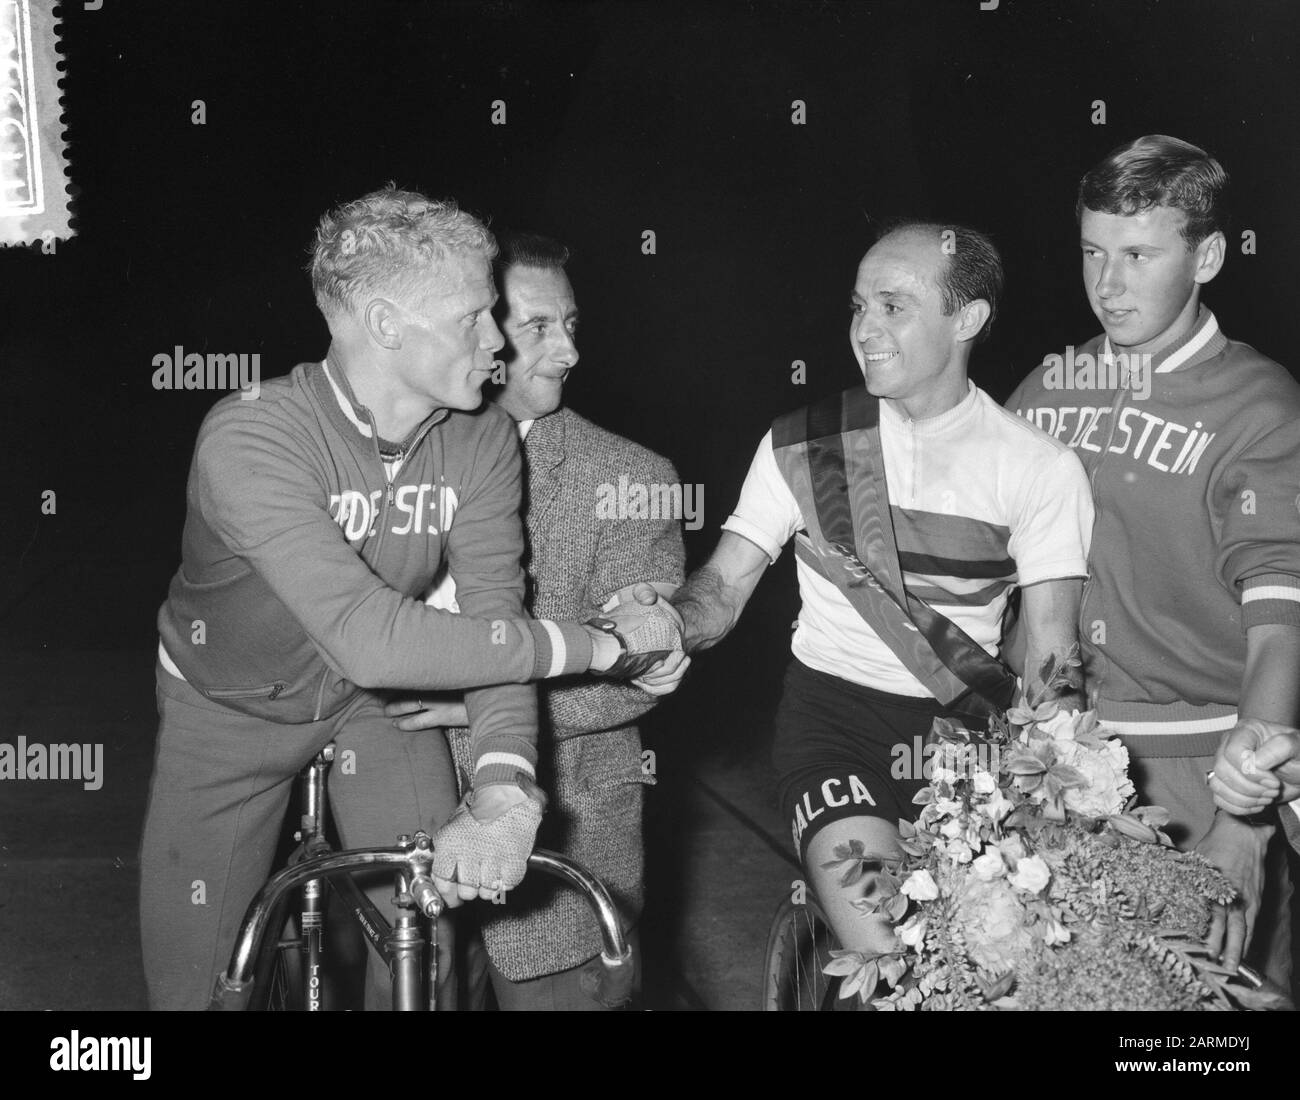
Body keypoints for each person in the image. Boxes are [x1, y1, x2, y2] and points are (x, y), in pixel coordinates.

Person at [139, 188, 681, 1010]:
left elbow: (491, 621)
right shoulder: (252, 434)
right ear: (387, 325)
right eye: (473, 318)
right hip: (229, 707)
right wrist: (599, 645)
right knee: (197, 987)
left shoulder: (480, 437)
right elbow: (370, 635)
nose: (496, 340)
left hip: (371, 707)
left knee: (426, 938)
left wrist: (504, 783)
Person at [642, 222, 1094, 959]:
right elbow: (721, 590)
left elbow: (1051, 655)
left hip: (964, 742)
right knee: (892, 948)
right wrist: (665, 622)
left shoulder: (1039, 469)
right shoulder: (803, 443)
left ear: (968, 318)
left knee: (995, 964)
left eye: (894, 307)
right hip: (832, 728)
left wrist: (1064, 800)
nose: (865, 330)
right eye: (858, 306)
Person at [1005, 135, 1300, 985]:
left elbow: (1280, 623)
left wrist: (1244, 823)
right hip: (1053, 759)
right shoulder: (1050, 386)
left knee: (1202, 1026)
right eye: (1093, 252)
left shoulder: (1261, 405)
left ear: (1208, 256)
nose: (1108, 283)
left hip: (1202, 770)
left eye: (1139, 254)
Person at [384, 231, 685, 1009]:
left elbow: (643, 677)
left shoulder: (633, 478)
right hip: (401, 846)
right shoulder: (386, 463)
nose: (569, 351)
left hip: (565, 847)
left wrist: (475, 707)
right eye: (538, 327)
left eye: (572, 325)